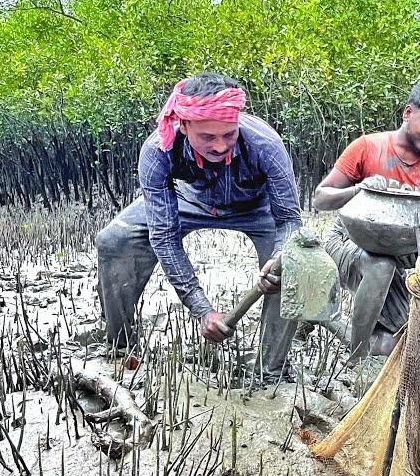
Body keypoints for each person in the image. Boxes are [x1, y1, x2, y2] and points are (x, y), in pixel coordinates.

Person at [95, 72, 301, 382]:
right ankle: (121, 347)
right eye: (207, 137)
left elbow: (289, 220)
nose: (220, 147)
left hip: (257, 207)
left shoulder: (265, 144)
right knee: (114, 239)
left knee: (291, 263)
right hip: (190, 199)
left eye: (229, 135)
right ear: (184, 124)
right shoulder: (158, 150)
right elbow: (163, 235)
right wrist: (202, 308)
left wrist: (282, 254)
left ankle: (270, 370)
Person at [311, 81, 420, 364]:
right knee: (380, 265)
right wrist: (360, 189)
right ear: (407, 113)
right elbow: (320, 199)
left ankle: (328, 320)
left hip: (402, 255)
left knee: (391, 347)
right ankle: (355, 359)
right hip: (347, 240)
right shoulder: (367, 147)